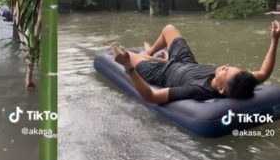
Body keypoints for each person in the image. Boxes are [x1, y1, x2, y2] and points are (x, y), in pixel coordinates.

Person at [112, 21, 280, 104]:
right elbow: (264, 72)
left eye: (226, 72)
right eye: (229, 68)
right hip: (186, 62)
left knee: (127, 54)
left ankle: (146, 57)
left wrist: (128, 66)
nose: (224, 67)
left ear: (221, 89)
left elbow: (152, 96)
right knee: (169, 29)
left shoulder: (196, 90)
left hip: (161, 72)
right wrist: (275, 39)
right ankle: (149, 52)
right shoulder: (242, 80)